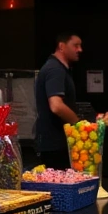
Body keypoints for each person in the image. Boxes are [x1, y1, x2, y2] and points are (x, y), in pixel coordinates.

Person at [34, 32, 83, 170]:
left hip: (56, 143)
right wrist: (79, 125)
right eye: (76, 45)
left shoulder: (57, 68)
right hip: (55, 145)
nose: (80, 50)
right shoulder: (55, 69)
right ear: (61, 46)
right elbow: (56, 106)